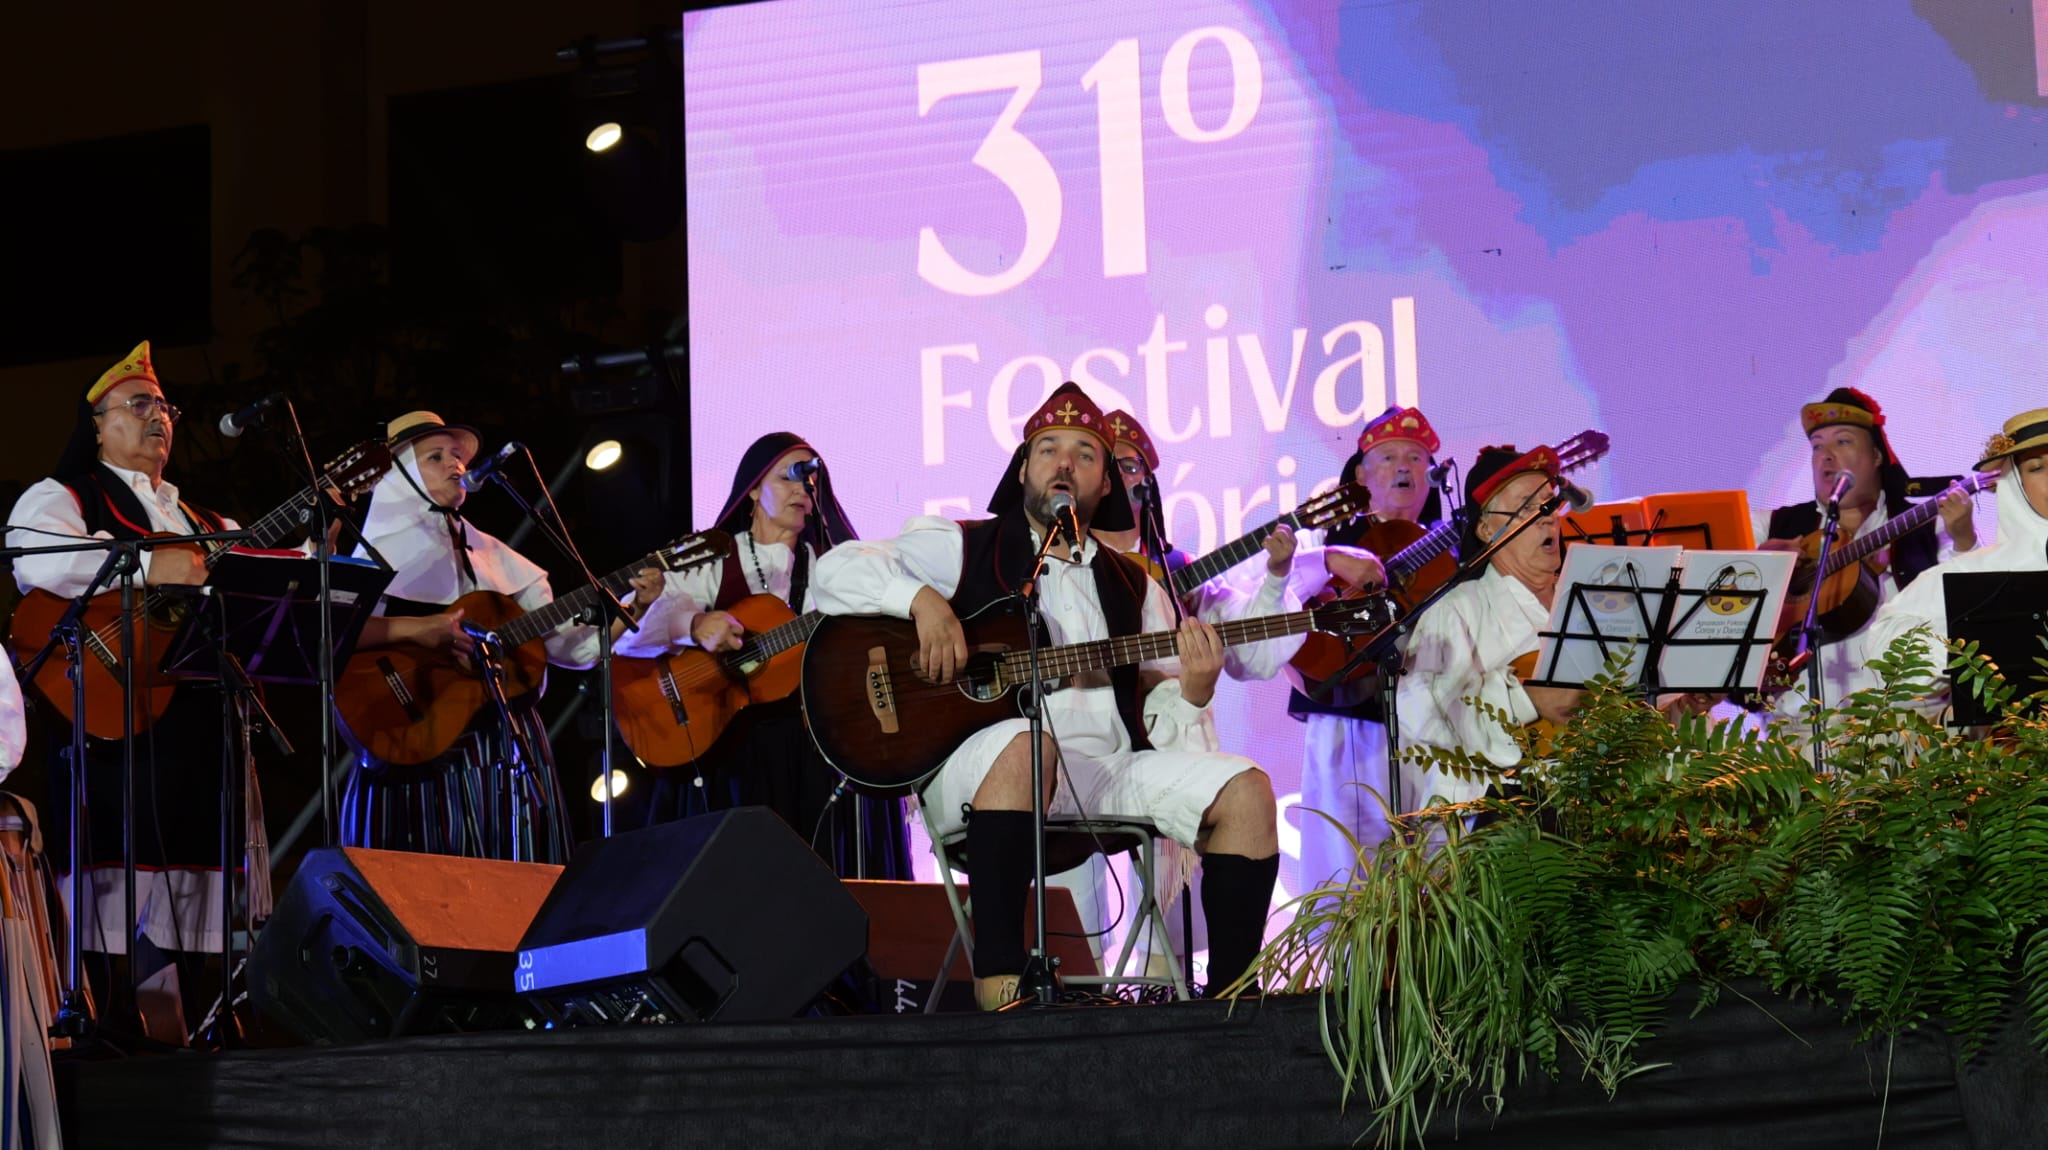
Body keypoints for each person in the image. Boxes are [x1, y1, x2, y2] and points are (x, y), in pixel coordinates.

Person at [811, 383, 1281, 1008]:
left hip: (1106, 774)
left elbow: (1160, 722)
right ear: (1024, 468)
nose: (1065, 463)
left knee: (1247, 790)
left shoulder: (1135, 588)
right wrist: (921, 603)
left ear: (1106, 482)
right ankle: (1001, 986)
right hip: (981, 774)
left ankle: (1236, 1008)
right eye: (1049, 450)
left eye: (1086, 454)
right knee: (1027, 745)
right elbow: (833, 571)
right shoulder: (964, 546)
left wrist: (1192, 692)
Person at [4, 341, 246, 1033]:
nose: (159, 417)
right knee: (114, 852)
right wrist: (144, 571)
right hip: (106, 698)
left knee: (196, 854)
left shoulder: (205, 520)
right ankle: (106, 1013)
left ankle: (192, 1014)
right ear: (98, 424)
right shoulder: (64, 496)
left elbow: (248, 577)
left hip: (196, 709)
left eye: (165, 406)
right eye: (139, 404)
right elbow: (35, 563)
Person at [339, 412, 663, 864]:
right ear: (398, 477)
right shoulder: (370, 558)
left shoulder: (497, 556)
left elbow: (567, 647)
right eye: (436, 457)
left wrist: (635, 608)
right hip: (412, 741)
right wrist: (422, 630)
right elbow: (335, 635)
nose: (455, 465)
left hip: (504, 745)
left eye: (457, 455)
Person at [615, 431, 909, 879]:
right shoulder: (713, 559)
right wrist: (693, 625)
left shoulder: (835, 565)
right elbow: (630, 635)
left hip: (814, 752)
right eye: (788, 476)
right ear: (752, 488)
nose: (801, 489)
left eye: (810, 480)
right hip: (734, 756)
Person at [1288, 407, 1445, 887]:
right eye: (1389, 457)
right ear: (1359, 473)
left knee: (1435, 865)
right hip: (1347, 719)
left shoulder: (1449, 545)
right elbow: (1279, 594)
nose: (1404, 467)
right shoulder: (1323, 537)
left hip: (1433, 723)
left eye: (1416, 459)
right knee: (1350, 868)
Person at [1756, 388, 1978, 713]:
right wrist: (1764, 561)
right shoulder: (1772, 525)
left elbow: (1972, 608)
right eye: (1817, 447)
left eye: (1843, 441)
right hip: (1798, 733)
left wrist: (1964, 540)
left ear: (1876, 456)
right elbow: (1718, 586)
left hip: (1910, 724)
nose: (1826, 456)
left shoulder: (1930, 527)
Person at [1865, 407, 2048, 705]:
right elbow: (1887, 638)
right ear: (2016, 484)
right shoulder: (1982, 571)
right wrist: (1968, 646)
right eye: (2037, 468)